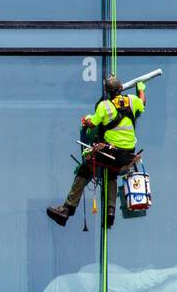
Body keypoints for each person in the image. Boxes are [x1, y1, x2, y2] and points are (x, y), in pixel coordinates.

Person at [47, 74, 146, 228]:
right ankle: (110, 211)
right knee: (111, 173)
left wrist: (86, 120)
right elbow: (143, 103)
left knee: (85, 169)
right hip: (127, 157)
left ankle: (67, 209)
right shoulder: (133, 100)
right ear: (120, 88)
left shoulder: (104, 106)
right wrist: (141, 89)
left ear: (107, 92)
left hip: (110, 153)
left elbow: (92, 124)